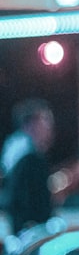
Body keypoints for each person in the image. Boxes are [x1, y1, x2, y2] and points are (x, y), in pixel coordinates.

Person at [1, 98, 56, 234]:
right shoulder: (27, 155)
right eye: (45, 120)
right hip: (29, 228)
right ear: (31, 124)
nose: (49, 126)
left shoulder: (16, 146)